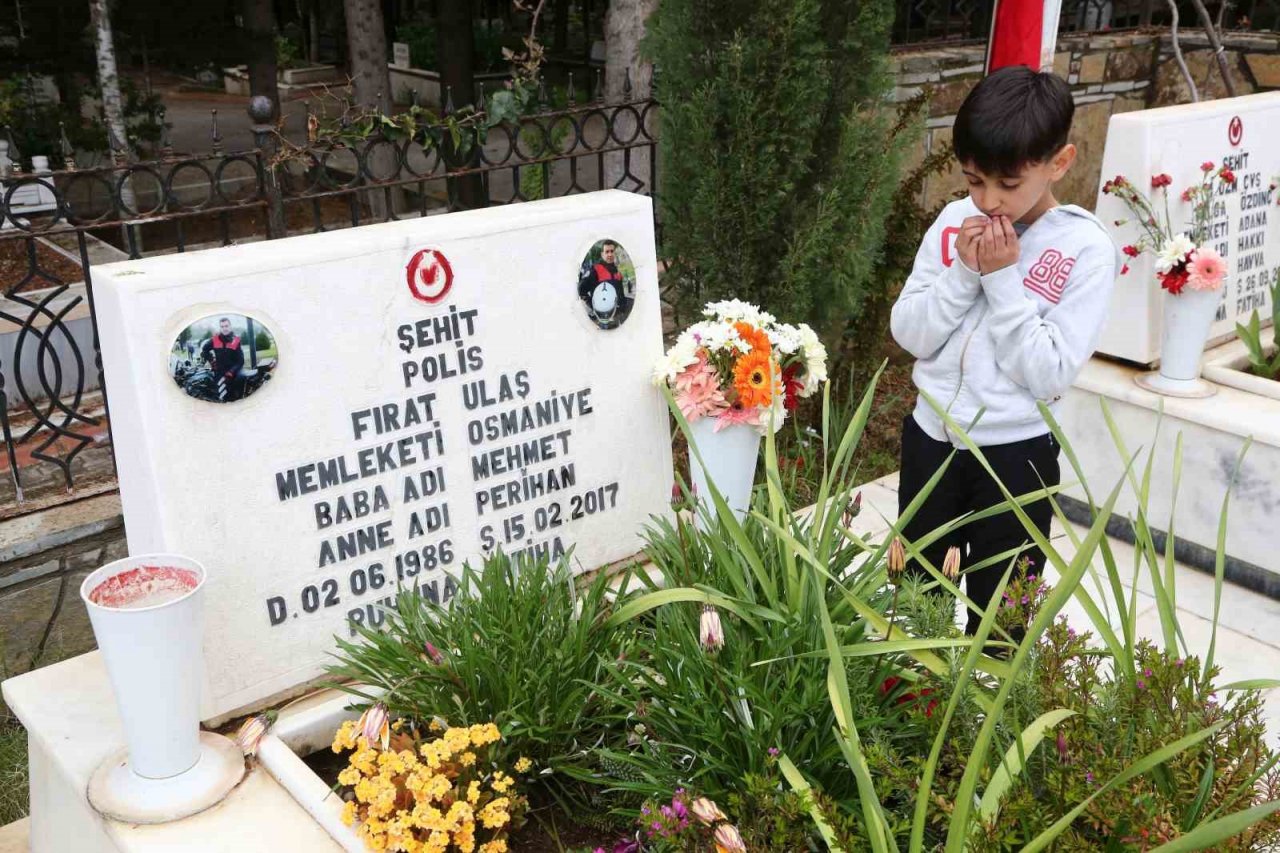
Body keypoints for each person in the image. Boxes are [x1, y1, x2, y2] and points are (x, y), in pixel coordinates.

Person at [889, 66, 1121, 636]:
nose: (988, 201)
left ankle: (985, 718)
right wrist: (964, 271)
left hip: (1015, 457)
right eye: (973, 181)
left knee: (1001, 620)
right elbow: (910, 334)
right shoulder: (952, 224)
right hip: (930, 440)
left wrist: (1001, 278)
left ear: (1058, 163)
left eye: (1008, 185)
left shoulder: (1086, 250)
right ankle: (912, 710)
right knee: (915, 603)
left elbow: (1049, 374)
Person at [578, 240, 633, 328]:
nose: (610, 254)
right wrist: (593, 306)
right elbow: (581, 290)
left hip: (620, 316)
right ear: (602, 254)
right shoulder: (595, 270)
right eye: (607, 252)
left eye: (612, 251)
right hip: (605, 320)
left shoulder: (617, 269)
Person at [201, 317, 246, 402]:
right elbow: (205, 349)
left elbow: (241, 361)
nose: (224, 328)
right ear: (220, 328)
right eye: (222, 326)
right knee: (219, 398)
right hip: (219, 372)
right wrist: (212, 361)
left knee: (234, 397)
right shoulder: (215, 339)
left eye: (226, 326)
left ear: (230, 326)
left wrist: (231, 372)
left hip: (233, 373)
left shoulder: (236, 340)